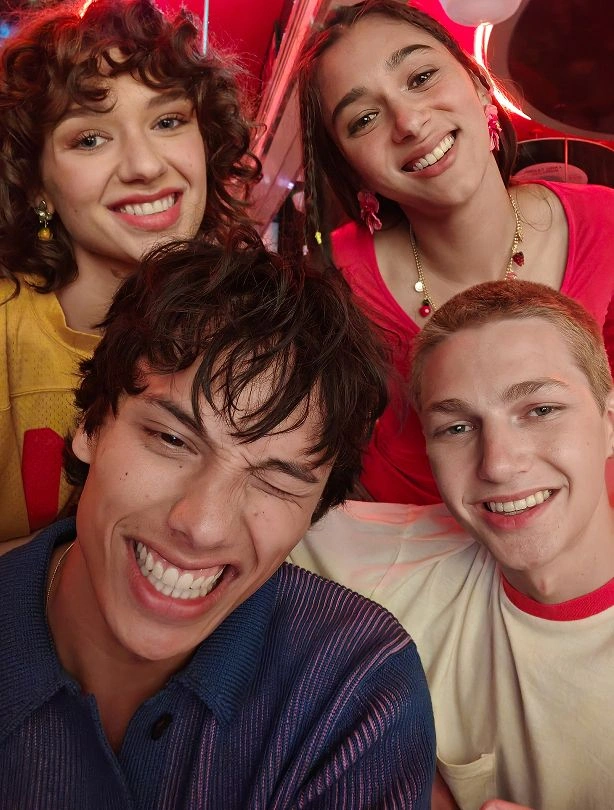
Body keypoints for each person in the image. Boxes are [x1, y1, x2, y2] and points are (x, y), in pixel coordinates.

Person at [0, 230, 435, 807]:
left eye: (276, 481)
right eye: (171, 440)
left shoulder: (354, 686)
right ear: (91, 426)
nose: (202, 526)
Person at [292, 279, 614, 810]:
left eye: (541, 410)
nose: (498, 464)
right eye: (457, 428)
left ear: (608, 423)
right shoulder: (393, 566)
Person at [297, 0, 614, 505]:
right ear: (352, 169)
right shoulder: (331, 280)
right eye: (364, 119)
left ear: (480, 86)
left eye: (421, 78)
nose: (408, 122)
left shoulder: (605, 225)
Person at [0, 0, 259, 541]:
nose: (144, 165)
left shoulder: (253, 337)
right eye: (90, 139)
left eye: (168, 121)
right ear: (37, 182)